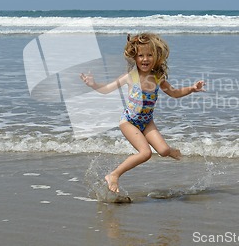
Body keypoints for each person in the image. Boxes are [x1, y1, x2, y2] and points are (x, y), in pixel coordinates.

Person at [80, 33, 205, 192]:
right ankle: (114, 175)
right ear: (135, 57)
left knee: (164, 151)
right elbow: (106, 90)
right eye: (141, 55)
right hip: (128, 122)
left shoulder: (158, 77)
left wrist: (192, 89)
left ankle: (171, 152)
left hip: (147, 122)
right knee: (145, 153)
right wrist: (93, 84)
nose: (145, 59)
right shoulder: (130, 77)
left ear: (156, 57)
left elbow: (174, 93)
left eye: (149, 55)